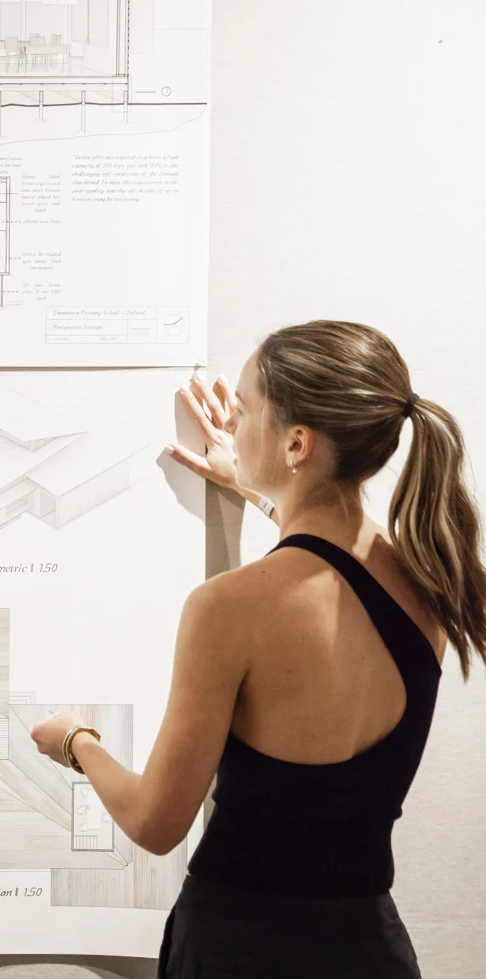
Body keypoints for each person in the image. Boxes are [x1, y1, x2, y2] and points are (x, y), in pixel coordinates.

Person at [29, 321, 484, 978]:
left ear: (297, 443)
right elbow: (335, 571)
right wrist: (255, 486)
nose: (231, 424)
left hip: (241, 948)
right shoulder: (429, 580)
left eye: (242, 411)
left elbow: (157, 824)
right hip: (370, 949)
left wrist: (76, 741)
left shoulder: (229, 609)